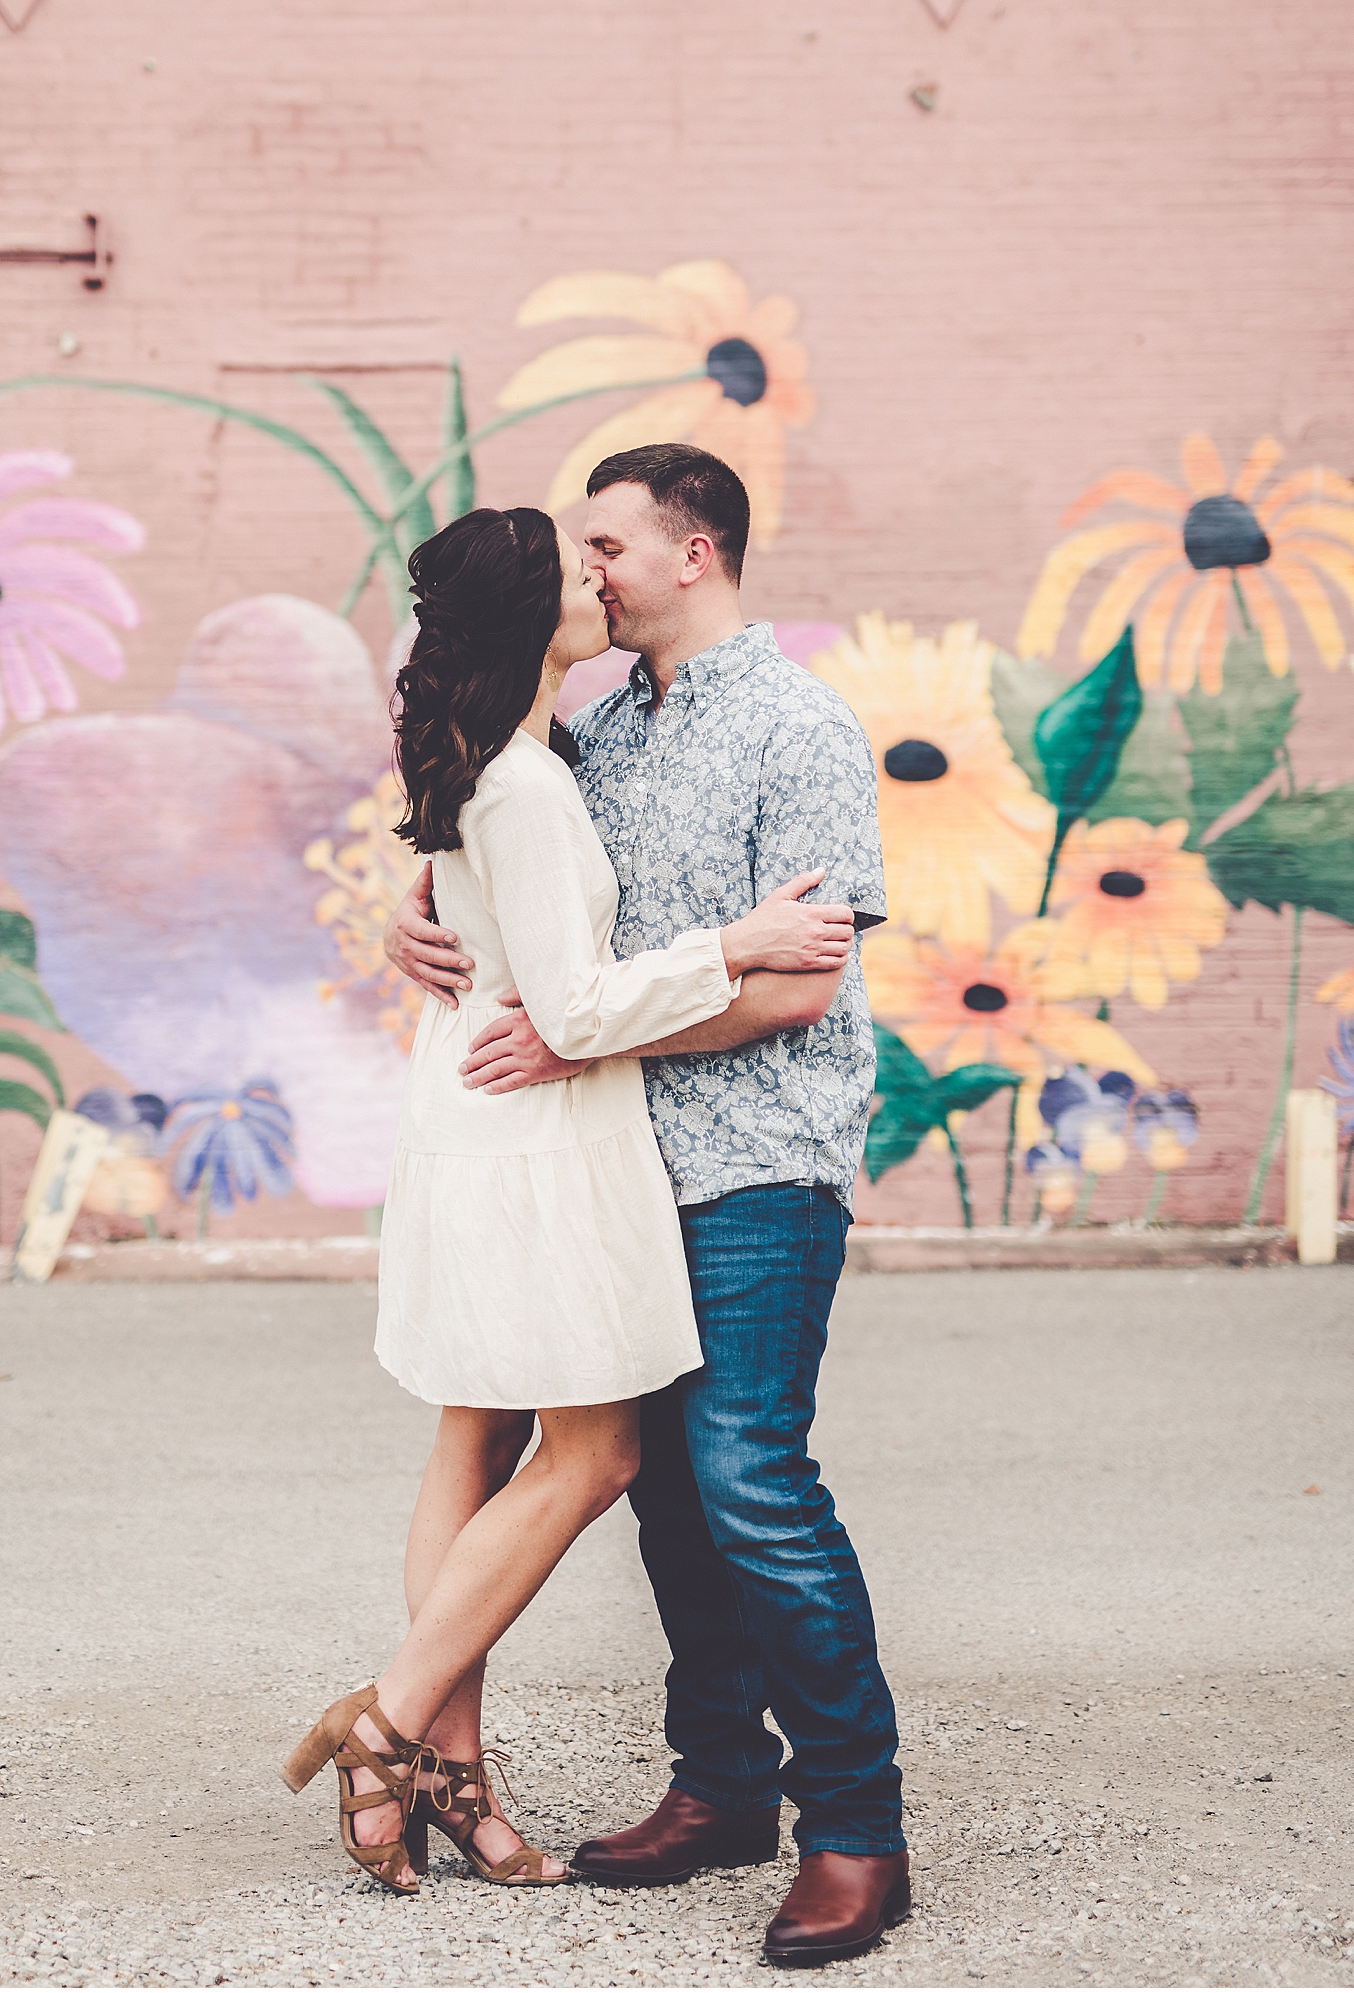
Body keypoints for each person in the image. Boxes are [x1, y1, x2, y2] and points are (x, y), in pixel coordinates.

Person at [283, 503, 855, 1900]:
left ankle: (450, 1775)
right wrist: (742, 939)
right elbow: (579, 1004)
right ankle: (391, 1723)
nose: (595, 578)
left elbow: (503, 927)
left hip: (482, 1119)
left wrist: (442, 914)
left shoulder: (522, 757)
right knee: (592, 1456)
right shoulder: (531, 782)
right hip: (530, 1135)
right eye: (573, 562)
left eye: (611, 549)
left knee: (473, 1437)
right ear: (531, 611)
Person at [385, 445, 910, 1968]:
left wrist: (573, 1028)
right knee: (669, 1495)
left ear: (695, 552)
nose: (588, 572)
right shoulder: (597, 729)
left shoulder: (801, 724)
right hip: (611, 1168)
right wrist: (411, 916)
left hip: (756, 1159)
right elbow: (504, 861)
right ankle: (725, 1785)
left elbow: (801, 980)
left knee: (748, 1477)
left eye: (606, 544)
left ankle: (856, 1829)